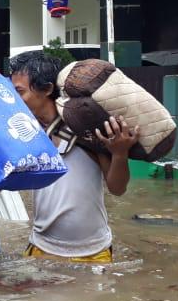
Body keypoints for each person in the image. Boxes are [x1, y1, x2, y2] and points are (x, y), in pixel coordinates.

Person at [9, 50, 136, 263]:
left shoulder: (86, 131)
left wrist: (120, 153)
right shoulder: (25, 132)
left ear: (48, 89)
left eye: (19, 92)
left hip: (94, 252)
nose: (14, 100)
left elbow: (117, 188)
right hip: (41, 249)